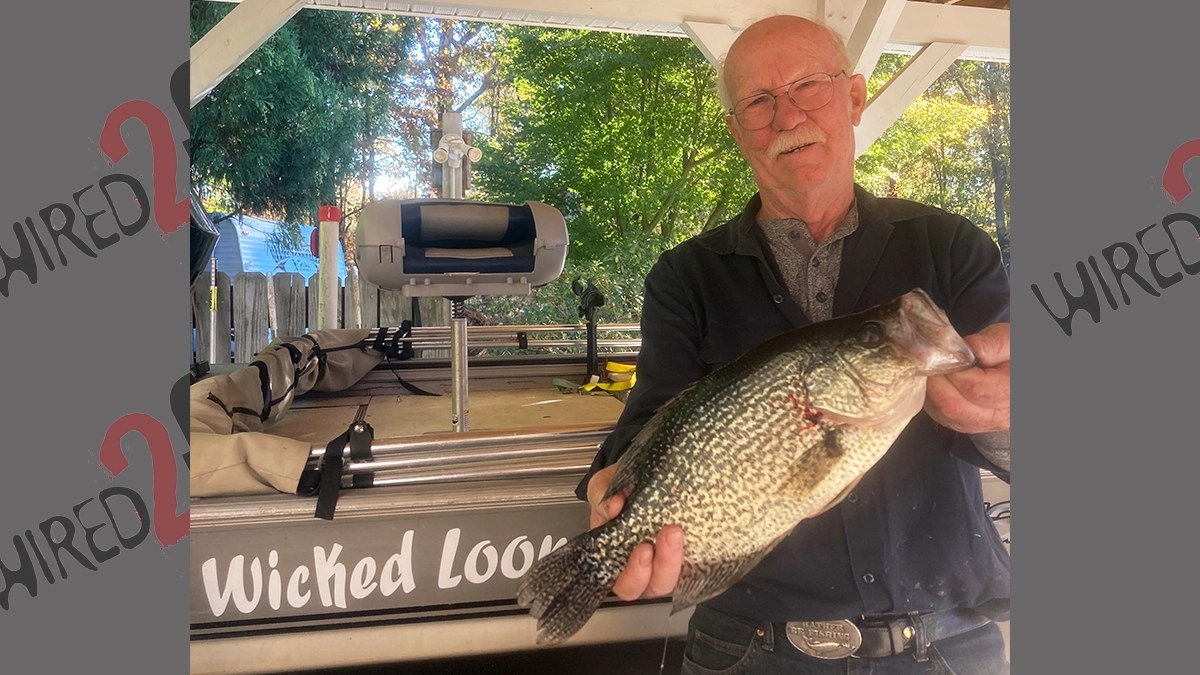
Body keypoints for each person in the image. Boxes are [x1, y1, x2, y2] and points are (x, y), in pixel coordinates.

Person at [574, 14, 1011, 674]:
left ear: (856, 97)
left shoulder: (950, 248)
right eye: (758, 101)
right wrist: (611, 493)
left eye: (809, 85)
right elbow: (651, 425)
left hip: (945, 644)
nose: (786, 117)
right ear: (736, 130)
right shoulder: (685, 277)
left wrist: (1009, 413)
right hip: (750, 650)